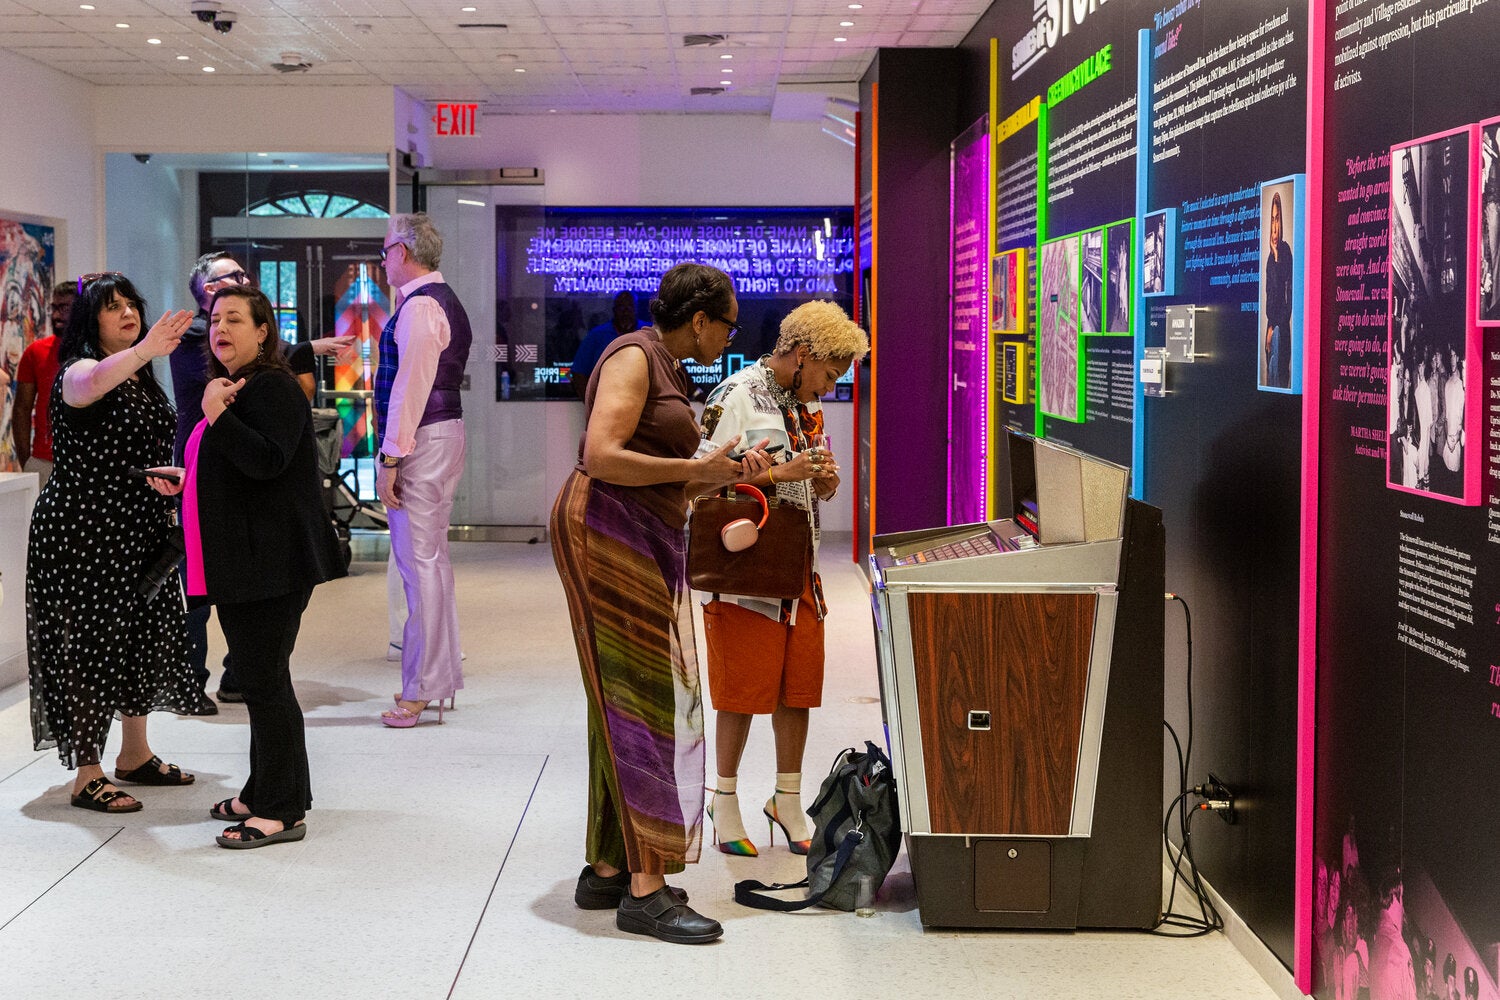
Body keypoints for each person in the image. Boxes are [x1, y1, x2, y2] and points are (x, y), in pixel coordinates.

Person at [550, 262, 771, 944]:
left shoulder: (669, 366)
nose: (731, 334)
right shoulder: (634, 355)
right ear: (700, 318)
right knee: (644, 698)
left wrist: (725, 475)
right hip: (604, 531)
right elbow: (602, 454)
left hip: (637, 530)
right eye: (728, 322)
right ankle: (646, 891)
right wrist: (694, 470)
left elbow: (673, 479)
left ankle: (610, 865)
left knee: (624, 698)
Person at [147, 285, 344, 848]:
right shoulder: (241, 387)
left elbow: (267, 460)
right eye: (214, 319)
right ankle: (267, 791)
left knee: (264, 681)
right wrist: (188, 478)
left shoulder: (274, 386)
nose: (220, 327)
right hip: (244, 560)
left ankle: (281, 810)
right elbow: (240, 469)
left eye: (235, 318)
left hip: (271, 564)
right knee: (262, 680)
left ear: (263, 332)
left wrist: (215, 415)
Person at [696, 300, 868, 856]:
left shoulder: (804, 408)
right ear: (801, 354)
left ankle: (786, 798)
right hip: (746, 572)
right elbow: (696, 485)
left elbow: (812, 479)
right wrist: (777, 474)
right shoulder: (734, 397)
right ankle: (723, 800)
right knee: (741, 692)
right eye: (829, 373)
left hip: (799, 571)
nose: (831, 385)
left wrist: (823, 481)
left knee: (797, 691)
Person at [25, 272, 197, 813]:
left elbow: (126, 449)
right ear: (89, 321)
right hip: (82, 532)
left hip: (136, 526)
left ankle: (134, 755)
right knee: (90, 648)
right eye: (112, 307)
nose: (127, 313)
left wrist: (160, 473)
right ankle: (87, 773)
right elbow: (88, 387)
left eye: (132, 304)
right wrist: (147, 348)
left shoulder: (142, 377)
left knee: (138, 639)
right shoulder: (78, 369)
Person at [375, 212, 473, 728]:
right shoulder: (439, 300)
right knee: (431, 563)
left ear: (403, 252)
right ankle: (435, 679)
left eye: (385, 250)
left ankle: (423, 687)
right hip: (439, 435)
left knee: (420, 566)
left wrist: (391, 458)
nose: (383, 259)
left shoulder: (420, 308)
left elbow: (408, 390)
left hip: (423, 440)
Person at [174, 251, 253, 712]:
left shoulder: (234, 333)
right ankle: (189, 682)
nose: (245, 278)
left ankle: (237, 675)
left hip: (236, 468)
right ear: (209, 291)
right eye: (234, 276)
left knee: (241, 576)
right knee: (197, 584)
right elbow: (234, 380)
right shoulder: (192, 338)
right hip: (200, 471)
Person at [11, 280, 75, 486]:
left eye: (64, 308)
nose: (56, 316)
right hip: (44, 462)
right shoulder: (36, 352)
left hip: (92, 463)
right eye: (54, 308)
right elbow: (21, 409)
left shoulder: (100, 352)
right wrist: (27, 462)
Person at [571, 291, 642, 399]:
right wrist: (592, 403)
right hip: (606, 403)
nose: (626, 312)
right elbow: (578, 373)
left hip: (645, 404)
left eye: (630, 307)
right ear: (614, 310)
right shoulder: (596, 336)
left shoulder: (648, 332)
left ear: (636, 309)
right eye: (621, 307)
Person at [1263, 191, 1293, 389]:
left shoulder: (1285, 252)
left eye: (1278, 219)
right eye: (1272, 219)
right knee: (1270, 376)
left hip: (1280, 328)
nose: (1275, 226)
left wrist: (1274, 327)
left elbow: (1286, 298)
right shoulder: (1269, 258)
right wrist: (1270, 327)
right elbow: (1269, 296)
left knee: (1280, 376)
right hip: (1271, 327)